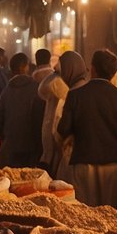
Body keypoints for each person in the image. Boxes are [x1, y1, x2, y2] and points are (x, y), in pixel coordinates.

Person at [57, 50, 117, 207]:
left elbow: (63, 129)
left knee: (84, 216)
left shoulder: (75, 96)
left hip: (83, 165)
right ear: (113, 73)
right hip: (113, 168)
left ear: (92, 69)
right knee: (111, 216)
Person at [39, 50, 87, 179]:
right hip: (57, 151)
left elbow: (64, 128)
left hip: (70, 154)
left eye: (62, 67)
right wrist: (55, 75)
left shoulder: (78, 91)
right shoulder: (59, 86)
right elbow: (42, 90)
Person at [0, 53, 45, 168]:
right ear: (23, 67)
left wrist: (0, 140)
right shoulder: (36, 88)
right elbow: (41, 117)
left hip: (11, 145)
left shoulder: (7, 90)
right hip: (31, 146)